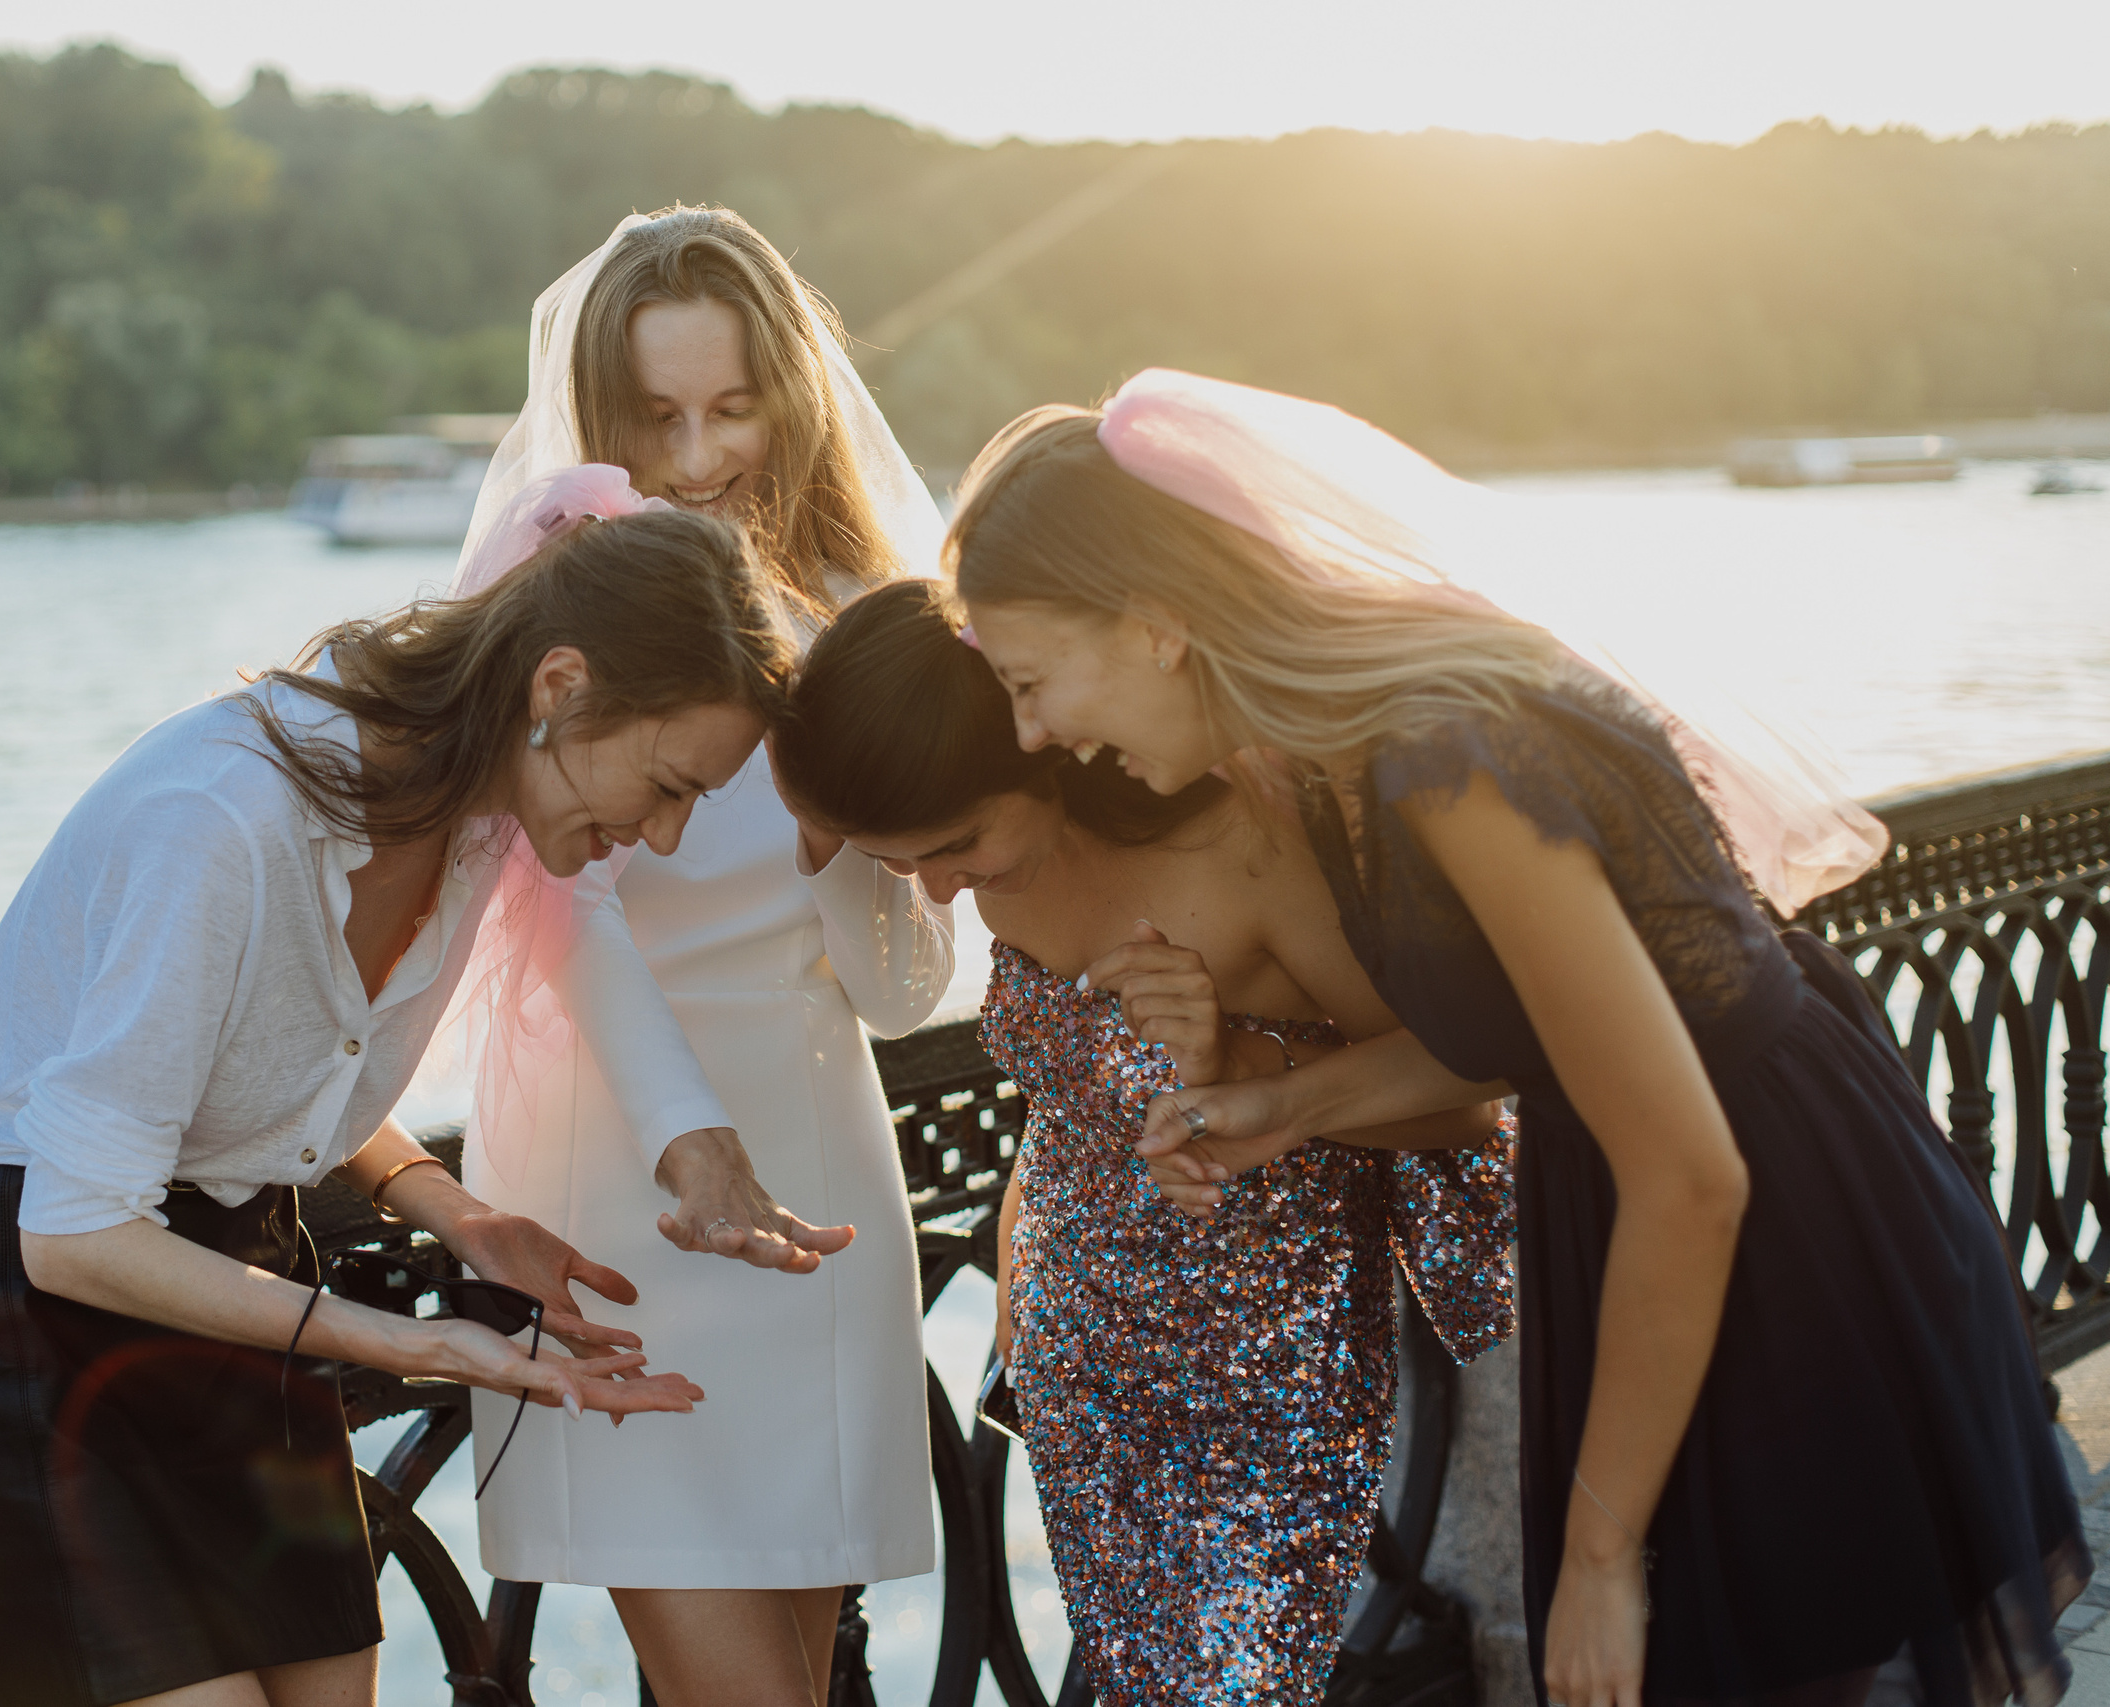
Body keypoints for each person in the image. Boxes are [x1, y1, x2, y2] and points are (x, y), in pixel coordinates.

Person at [941, 368, 2090, 1707]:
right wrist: (1294, 1105)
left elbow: (1691, 1169)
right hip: (1659, 1186)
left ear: (1151, 626)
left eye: (1030, 679)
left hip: (1767, 1221)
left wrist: (1598, 1553)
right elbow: (1531, 1037)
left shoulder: (1450, 754)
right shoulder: (1342, 750)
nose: (1035, 734)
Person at [0, 488, 795, 1707]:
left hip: (233, 1272)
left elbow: (254, 1075)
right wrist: (418, 1344)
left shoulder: (479, 826)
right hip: (48, 1307)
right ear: (561, 686)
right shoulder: (222, 818)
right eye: (672, 783)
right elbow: (72, 1231)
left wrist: (451, 1212)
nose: (670, 836)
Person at [770, 578, 1516, 1704]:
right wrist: (1025, 1308)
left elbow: (1468, 1091)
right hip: (1077, 1361)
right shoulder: (1000, 880)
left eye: (955, 844)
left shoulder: (1244, 851)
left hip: (1264, 1367)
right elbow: (1065, 1110)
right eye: (900, 863)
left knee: (1237, 1681)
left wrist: (1258, 1079)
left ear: (1037, 748)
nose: (939, 888)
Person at [450, 206, 952, 1707]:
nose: (692, 457)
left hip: (826, 1197)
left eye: (731, 408)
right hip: (623, 1193)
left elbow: (905, 993)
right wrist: (692, 1139)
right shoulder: (545, 614)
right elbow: (558, 918)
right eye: (653, 417)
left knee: (796, 1678)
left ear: (790, 400)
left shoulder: (864, 616)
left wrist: (840, 847)